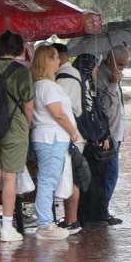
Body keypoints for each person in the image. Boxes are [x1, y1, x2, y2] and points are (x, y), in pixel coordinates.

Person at [0, 31, 34, 242]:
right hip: (15, 128)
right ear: (19, 49)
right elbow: (28, 103)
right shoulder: (22, 72)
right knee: (10, 177)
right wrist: (26, 126)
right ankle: (7, 228)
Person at [30, 45, 79, 241]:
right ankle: (45, 224)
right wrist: (73, 132)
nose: (59, 61)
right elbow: (58, 113)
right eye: (56, 58)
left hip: (49, 138)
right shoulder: (47, 86)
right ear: (49, 60)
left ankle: (46, 221)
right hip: (52, 138)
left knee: (47, 180)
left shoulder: (40, 85)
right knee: (47, 181)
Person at [96, 45, 129, 225]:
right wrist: (113, 83)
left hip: (116, 132)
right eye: (121, 64)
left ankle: (103, 208)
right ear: (110, 58)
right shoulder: (102, 76)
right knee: (110, 174)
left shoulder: (112, 73)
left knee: (110, 173)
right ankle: (102, 210)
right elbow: (104, 107)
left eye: (124, 65)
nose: (122, 68)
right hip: (108, 133)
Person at [52, 43, 83, 233]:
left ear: (60, 56)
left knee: (70, 178)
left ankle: (72, 220)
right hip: (69, 132)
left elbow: (60, 110)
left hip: (71, 133)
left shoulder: (65, 77)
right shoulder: (68, 75)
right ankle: (70, 219)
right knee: (68, 177)